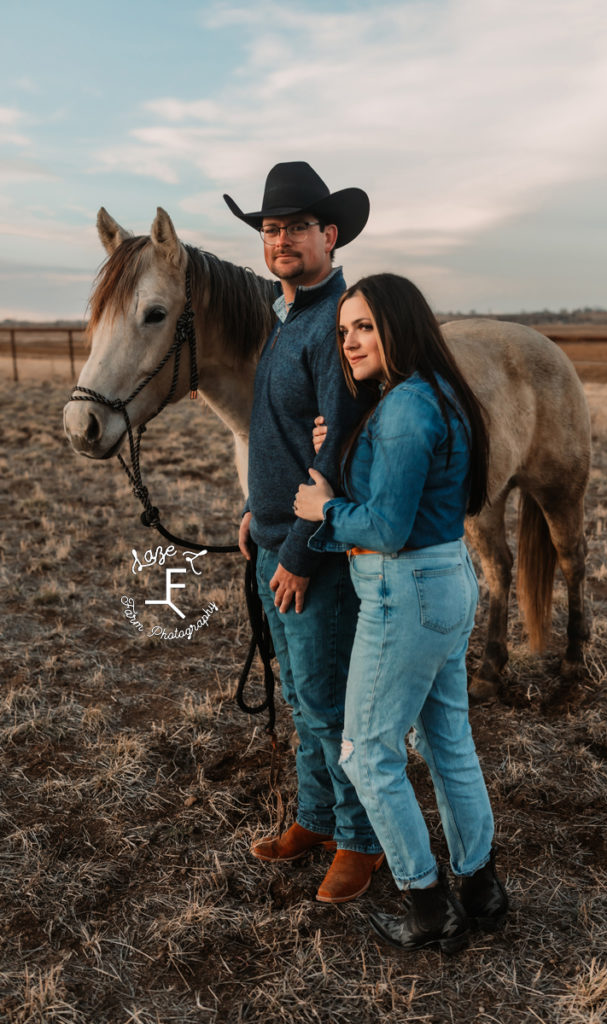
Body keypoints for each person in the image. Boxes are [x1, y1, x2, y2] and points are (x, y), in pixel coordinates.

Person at [294, 273, 509, 951]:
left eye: (364, 326)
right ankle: (480, 889)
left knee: (365, 754)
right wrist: (350, 442)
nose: (350, 341)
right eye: (344, 330)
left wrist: (322, 508)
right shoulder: (435, 396)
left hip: (403, 588)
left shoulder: (405, 409)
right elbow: (408, 492)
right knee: (446, 744)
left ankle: (426, 904)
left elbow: (384, 527)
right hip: (447, 576)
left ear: (399, 324)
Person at [223, 162, 384, 903]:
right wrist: (260, 511)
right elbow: (285, 433)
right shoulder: (283, 317)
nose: (280, 239)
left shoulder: (336, 324)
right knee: (298, 697)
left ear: (329, 234)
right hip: (275, 534)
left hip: (312, 552)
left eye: (294, 227)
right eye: (270, 228)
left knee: (327, 703)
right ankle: (315, 819)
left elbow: (336, 453)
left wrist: (295, 550)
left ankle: (360, 840)